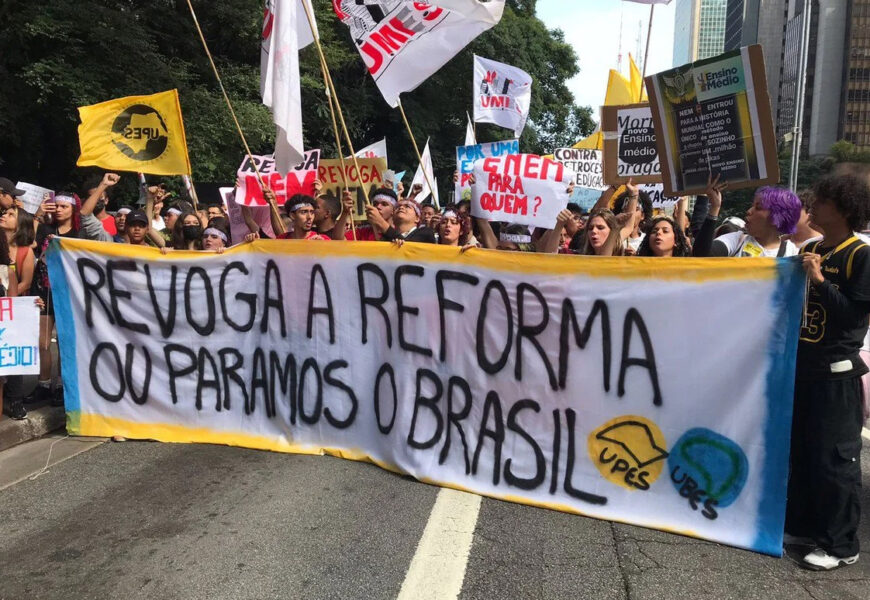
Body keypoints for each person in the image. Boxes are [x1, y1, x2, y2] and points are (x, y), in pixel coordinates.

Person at [786, 174, 870, 571]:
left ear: (842, 208)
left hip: (837, 374)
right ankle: (804, 526)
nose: (812, 208)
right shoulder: (812, 247)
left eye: (820, 202)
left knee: (836, 460)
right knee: (804, 453)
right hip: (804, 369)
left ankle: (841, 544)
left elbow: (854, 316)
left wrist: (819, 281)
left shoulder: (860, 255)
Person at [693, 176, 801, 257]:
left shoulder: (792, 254)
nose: (749, 211)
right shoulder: (737, 240)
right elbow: (701, 255)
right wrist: (714, 208)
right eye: (752, 206)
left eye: (758, 208)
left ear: (776, 218)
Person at [0, 207, 35, 295]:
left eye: (11, 215)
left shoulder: (25, 251)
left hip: (10, 303)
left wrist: (6, 296)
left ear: (20, 224)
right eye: (5, 213)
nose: (4, 216)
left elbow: (26, 284)